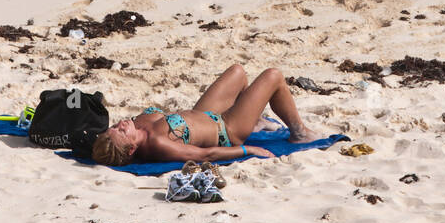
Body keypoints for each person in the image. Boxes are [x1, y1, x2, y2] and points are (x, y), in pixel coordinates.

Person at [91, 64, 321, 166]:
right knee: (273, 76)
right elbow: (205, 155)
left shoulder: (137, 126)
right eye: (122, 131)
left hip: (204, 115)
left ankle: (256, 119)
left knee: (237, 72)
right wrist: (246, 150)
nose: (121, 124)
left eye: (115, 127)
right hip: (227, 129)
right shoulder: (159, 144)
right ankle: (298, 132)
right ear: (131, 149)